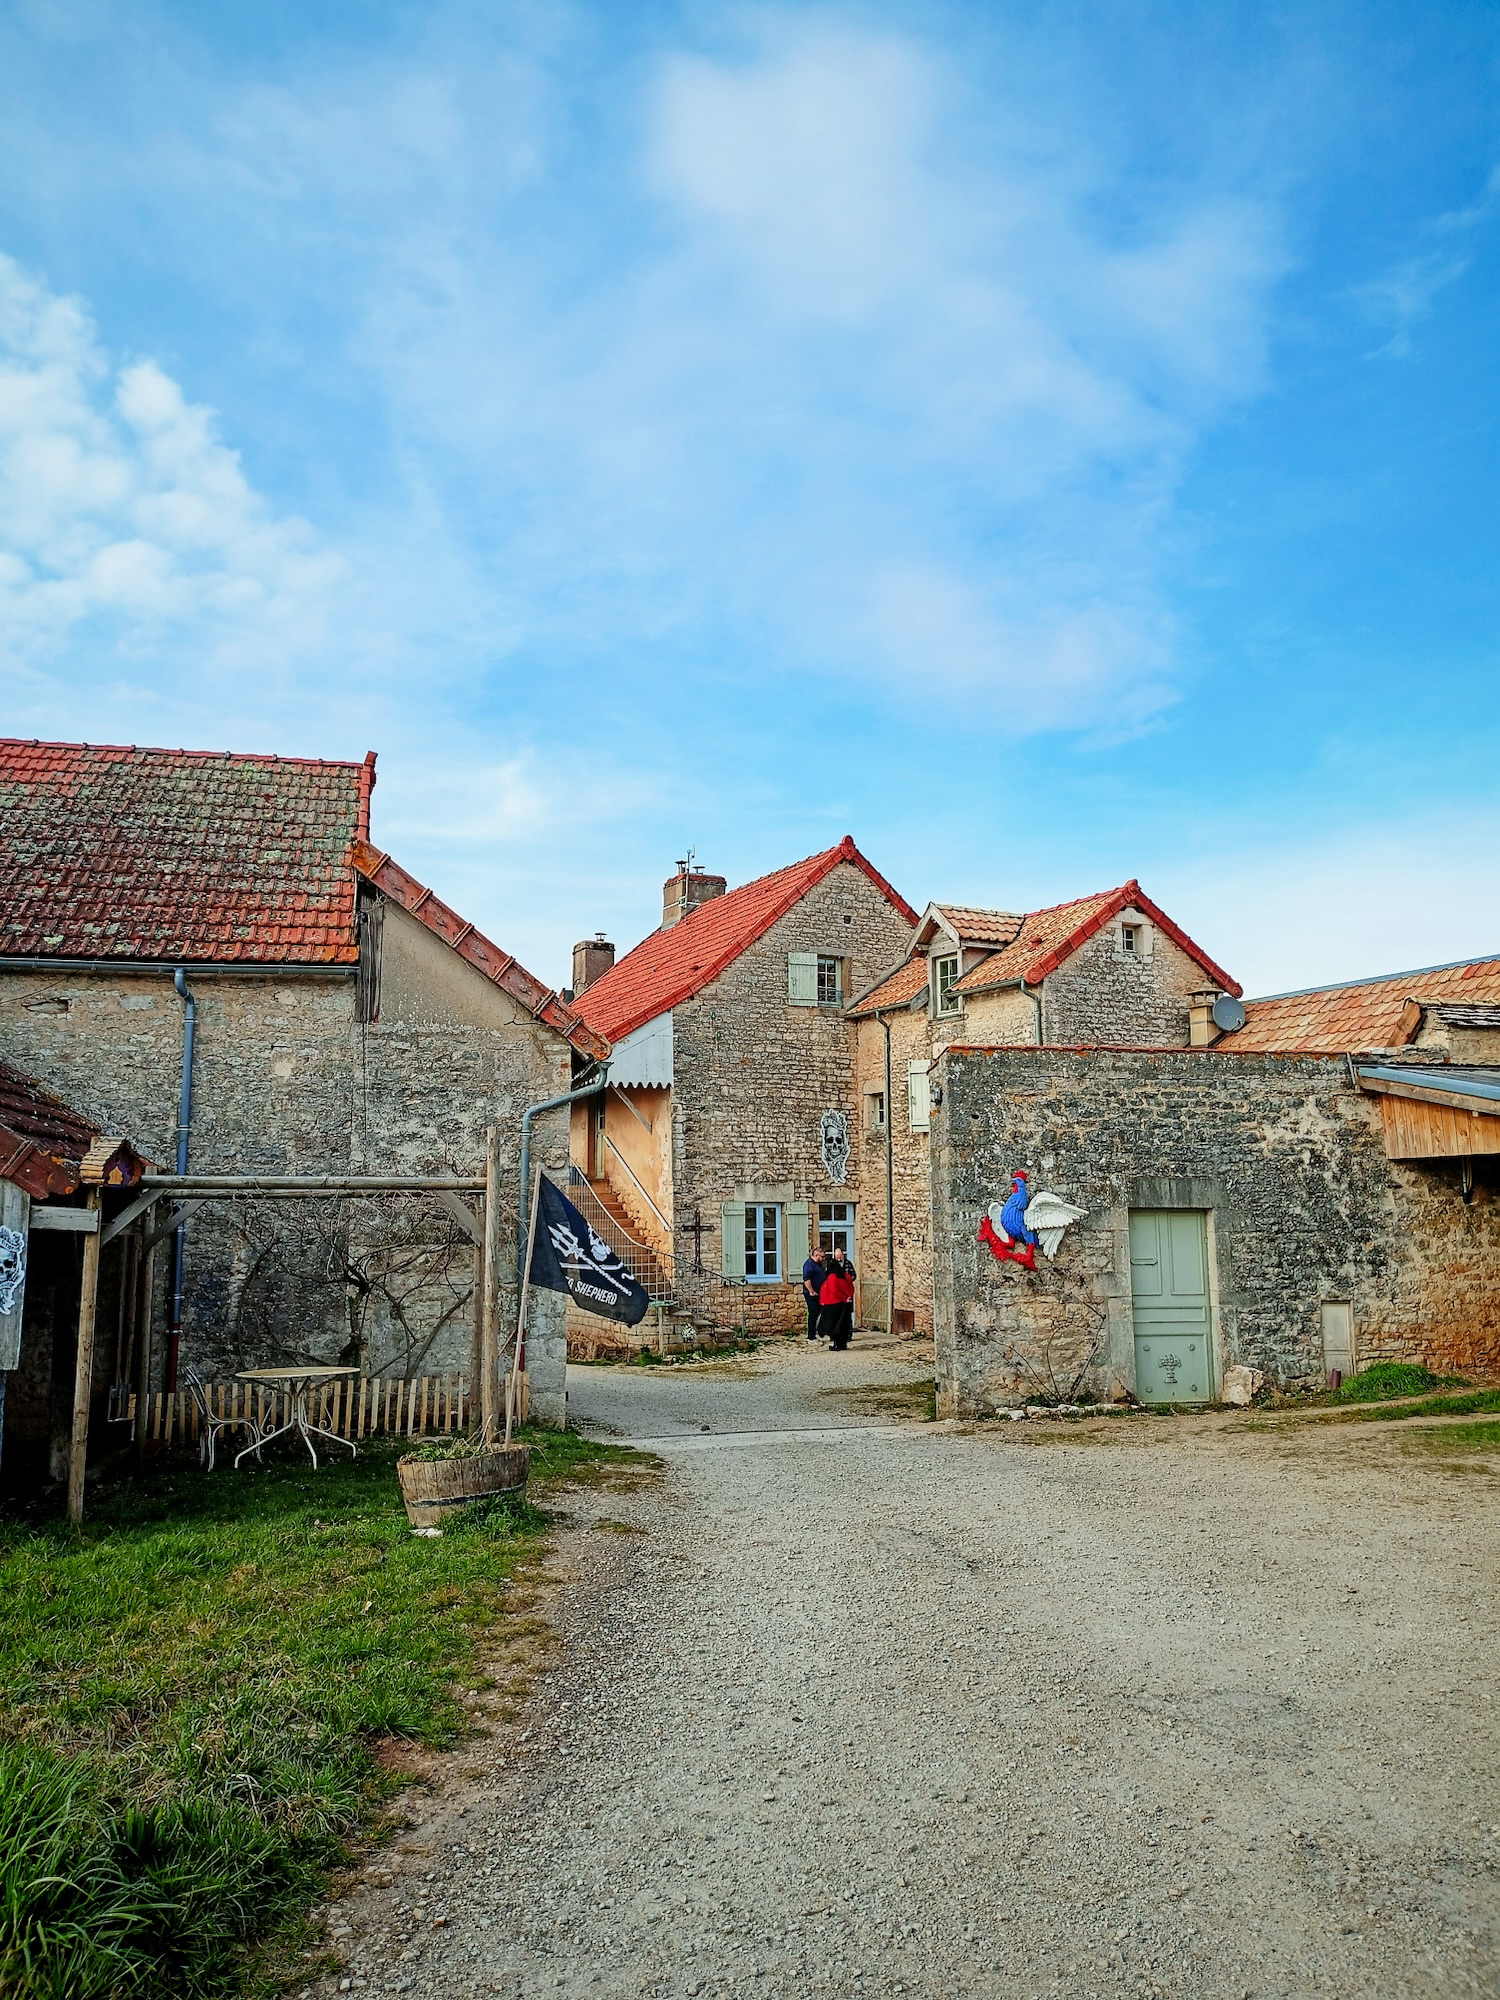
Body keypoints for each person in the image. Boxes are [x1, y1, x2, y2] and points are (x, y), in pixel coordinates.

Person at [818, 1244, 857, 1351]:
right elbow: (851, 1287)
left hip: (835, 1304)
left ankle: (837, 1344)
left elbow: (834, 1291)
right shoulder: (846, 1276)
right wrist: (848, 1297)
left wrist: (844, 1298)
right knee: (844, 1324)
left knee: (835, 1325)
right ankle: (843, 1343)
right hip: (844, 1303)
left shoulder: (832, 1277)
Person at [801, 1244, 827, 1341]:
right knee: (813, 1314)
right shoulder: (809, 1264)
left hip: (819, 1293)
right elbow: (806, 1279)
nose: (823, 1259)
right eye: (822, 1256)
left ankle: (818, 1332)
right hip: (811, 1294)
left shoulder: (818, 1265)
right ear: (817, 1255)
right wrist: (811, 1291)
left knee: (818, 1313)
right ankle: (811, 1336)